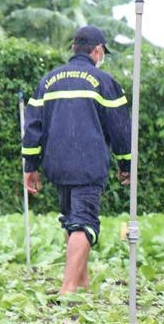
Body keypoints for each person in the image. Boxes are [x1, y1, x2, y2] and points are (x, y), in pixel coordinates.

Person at [22, 26, 131, 294]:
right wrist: (126, 164)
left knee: (72, 219)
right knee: (84, 222)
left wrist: (30, 167)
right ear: (97, 50)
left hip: (56, 164)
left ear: (74, 48)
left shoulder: (48, 81)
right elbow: (121, 128)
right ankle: (68, 290)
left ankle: (82, 283)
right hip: (88, 164)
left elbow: (32, 126)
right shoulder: (103, 81)